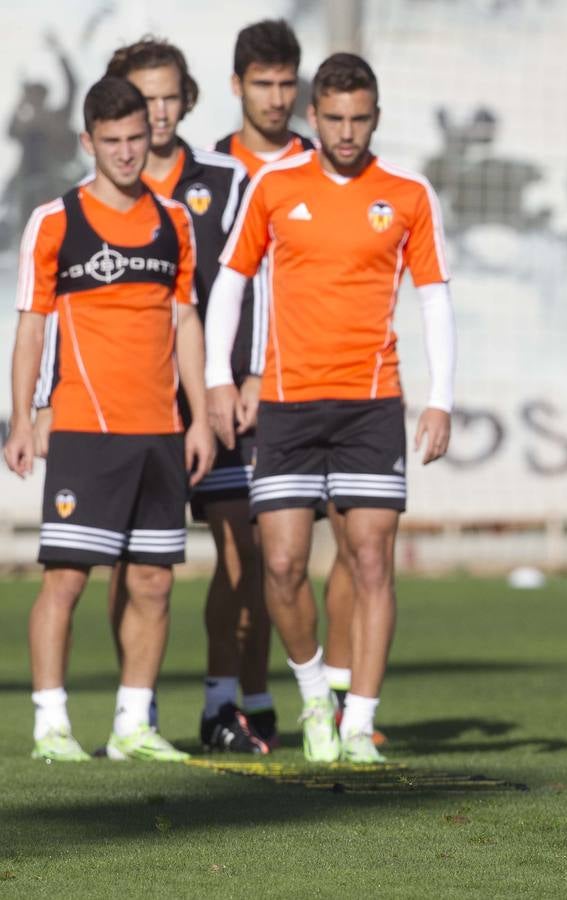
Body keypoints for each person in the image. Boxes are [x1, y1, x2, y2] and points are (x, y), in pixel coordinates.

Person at [205, 53, 455, 764]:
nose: (347, 132)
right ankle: (314, 693)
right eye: (335, 118)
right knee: (281, 565)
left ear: (375, 117)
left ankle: (358, 721)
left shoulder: (407, 193)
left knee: (372, 559)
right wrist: (220, 380)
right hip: (285, 404)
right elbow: (231, 282)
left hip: (372, 405)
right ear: (314, 118)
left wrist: (440, 400)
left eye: (360, 118)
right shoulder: (275, 186)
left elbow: (436, 297)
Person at [30, 39, 266, 753]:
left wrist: (221, 394)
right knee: (90, 572)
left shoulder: (202, 201)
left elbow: (213, 306)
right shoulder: (68, 212)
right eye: (128, 121)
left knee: (195, 569)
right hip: (99, 421)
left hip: (187, 418)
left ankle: (180, 714)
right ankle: (92, 719)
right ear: (97, 134)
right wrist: (35, 406)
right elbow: (38, 321)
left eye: (160, 107)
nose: (143, 131)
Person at [4, 76, 210, 762]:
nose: (126, 154)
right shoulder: (56, 221)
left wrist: (200, 418)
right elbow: (32, 327)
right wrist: (23, 418)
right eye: (112, 141)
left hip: (159, 431)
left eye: (136, 139)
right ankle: (51, 726)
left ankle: (132, 728)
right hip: (85, 430)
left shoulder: (174, 221)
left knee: (152, 581)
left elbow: (185, 321)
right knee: (65, 578)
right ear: (89, 142)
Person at [216, 18, 371, 745]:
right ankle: (242, 698)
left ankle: (337, 696)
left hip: (310, 388)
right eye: (262, 83)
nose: (275, 98)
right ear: (237, 86)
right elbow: (210, 287)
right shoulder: (207, 171)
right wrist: (220, 377)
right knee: (247, 555)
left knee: (352, 541)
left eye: (286, 83)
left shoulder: (327, 162)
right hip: (233, 392)